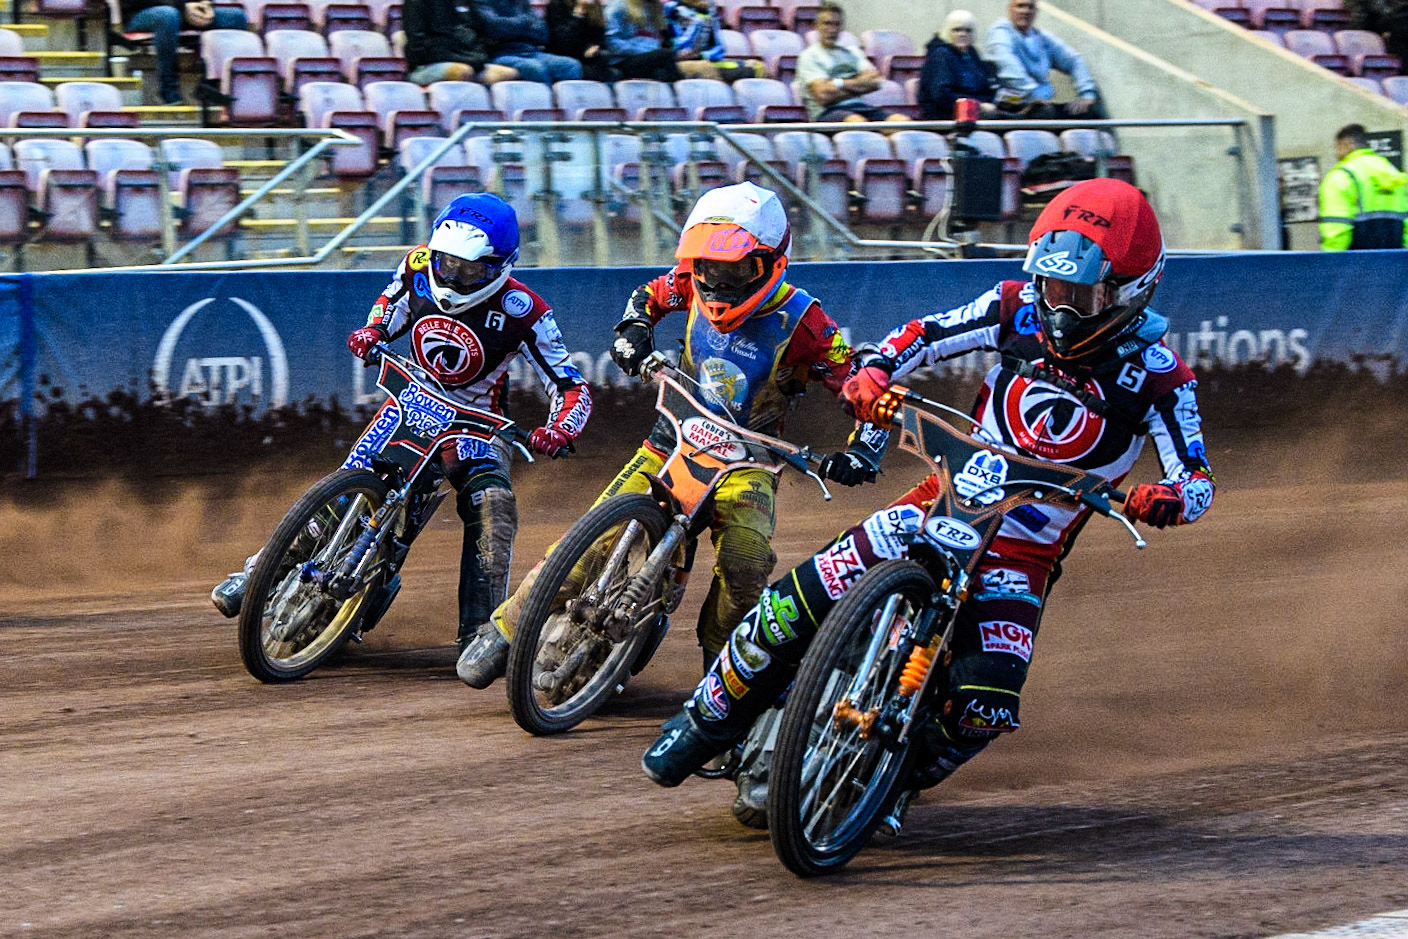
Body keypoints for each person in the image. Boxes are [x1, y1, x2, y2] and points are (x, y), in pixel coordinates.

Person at [641, 179, 1217, 836]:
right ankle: (699, 721)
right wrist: (877, 372)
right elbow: (924, 333)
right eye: (1050, 288)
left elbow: (1198, 477)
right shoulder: (1013, 307)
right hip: (942, 498)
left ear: (1131, 292)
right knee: (793, 598)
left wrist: (1167, 498)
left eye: (1078, 296)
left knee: (987, 703)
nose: (1057, 309)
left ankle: (899, 775)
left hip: (1023, 552)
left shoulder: (1163, 379)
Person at [455, 181, 885, 695]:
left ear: (771, 262)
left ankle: (726, 676)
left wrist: (864, 447)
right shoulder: (688, 281)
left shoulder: (806, 322)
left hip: (749, 464)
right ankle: (506, 630)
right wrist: (633, 329)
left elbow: (862, 386)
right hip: (671, 439)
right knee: (592, 536)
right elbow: (647, 296)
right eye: (707, 268)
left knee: (745, 562)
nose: (717, 282)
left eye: (734, 270)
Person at [210, 193, 593, 670]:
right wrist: (373, 330)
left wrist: (560, 428)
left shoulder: (525, 310)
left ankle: (478, 633)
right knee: (344, 485)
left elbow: (571, 385)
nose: (452, 277)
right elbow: (390, 305)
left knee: (494, 508)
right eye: (446, 262)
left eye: (468, 269)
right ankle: (258, 570)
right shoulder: (416, 265)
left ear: (500, 266)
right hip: (411, 400)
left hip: (477, 426)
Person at [985, 0, 1104, 119]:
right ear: (1010, 9)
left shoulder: (1040, 37)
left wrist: (1087, 95)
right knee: (1047, 113)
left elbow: (1074, 60)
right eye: (1020, 6)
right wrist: (1036, 95)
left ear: (1036, 11)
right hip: (1010, 104)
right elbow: (1010, 71)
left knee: (1089, 112)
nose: (1025, 11)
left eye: (1030, 7)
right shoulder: (1000, 34)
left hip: (1041, 105)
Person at [794, 2, 909, 123]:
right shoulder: (809, 56)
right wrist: (859, 84)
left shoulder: (853, 52)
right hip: (828, 112)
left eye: (836, 24)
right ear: (816, 26)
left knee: (903, 122)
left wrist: (836, 83)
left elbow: (875, 82)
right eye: (827, 24)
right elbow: (824, 96)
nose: (832, 29)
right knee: (859, 123)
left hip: (862, 108)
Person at [119, 0, 247, 105]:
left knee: (236, 16)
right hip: (142, 13)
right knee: (168, 15)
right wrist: (183, 7)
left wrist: (205, 5)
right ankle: (167, 89)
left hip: (184, 12)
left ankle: (210, 85)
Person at [1318, 123, 1408, 251]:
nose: (1336, 153)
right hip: (1394, 263)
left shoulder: (1342, 175)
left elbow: (1337, 227)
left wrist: (1331, 264)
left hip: (1357, 264)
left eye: (1337, 147)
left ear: (1347, 144)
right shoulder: (1390, 171)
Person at [404, 0, 518, 86]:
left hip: (468, 60)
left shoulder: (463, 2)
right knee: (462, 71)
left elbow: (478, 33)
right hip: (426, 66)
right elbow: (417, 42)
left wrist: (474, 57)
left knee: (509, 74)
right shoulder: (416, 2)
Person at [472, 0, 584, 84]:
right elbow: (495, 28)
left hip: (531, 51)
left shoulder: (522, 2)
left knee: (570, 65)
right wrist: (525, 24)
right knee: (535, 68)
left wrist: (512, 27)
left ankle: (566, 110)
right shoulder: (483, 2)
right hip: (500, 53)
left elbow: (543, 32)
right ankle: (543, 108)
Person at [917, 9, 999, 120]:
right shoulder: (940, 55)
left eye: (968, 31)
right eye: (957, 30)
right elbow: (941, 95)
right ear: (947, 31)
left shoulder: (972, 53)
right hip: (945, 117)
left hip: (973, 114)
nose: (962, 34)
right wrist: (979, 105)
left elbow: (985, 88)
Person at [665, 0, 762, 82]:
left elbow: (719, 49)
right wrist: (679, 54)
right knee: (700, 67)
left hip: (706, 60)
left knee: (757, 67)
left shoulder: (709, 6)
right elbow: (662, 46)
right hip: (678, 63)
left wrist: (702, 55)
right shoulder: (668, 7)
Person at [603, 0, 682, 82]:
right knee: (666, 54)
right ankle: (680, 90)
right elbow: (611, 43)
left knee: (660, 73)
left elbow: (654, 42)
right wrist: (647, 51)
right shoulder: (618, 6)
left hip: (647, 60)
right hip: (622, 60)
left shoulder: (654, 8)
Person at [545, 0, 612, 82]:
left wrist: (593, 48)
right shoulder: (557, 5)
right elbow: (561, 41)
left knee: (609, 68)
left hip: (587, 58)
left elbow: (599, 38)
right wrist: (578, 14)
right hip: (563, 56)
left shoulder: (594, 5)